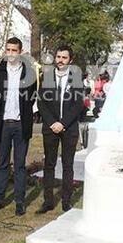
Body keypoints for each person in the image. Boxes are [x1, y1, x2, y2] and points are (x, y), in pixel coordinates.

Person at [0, 37, 38, 217]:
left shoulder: (29, 74)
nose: (10, 54)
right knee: (2, 164)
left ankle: (19, 201)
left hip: (20, 125)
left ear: (20, 52)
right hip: (3, 124)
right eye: (8, 50)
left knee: (19, 166)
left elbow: (32, 98)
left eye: (14, 50)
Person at [36, 45, 85, 214]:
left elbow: (78, 104)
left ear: (70, 60)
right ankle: (48, 201)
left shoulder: (76, 77)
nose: (60, 60)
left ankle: (66, 201)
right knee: (49, 165)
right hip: (50, 128)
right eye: (58, 57)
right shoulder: (47, 76)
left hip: (69, 128)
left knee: (67, 165)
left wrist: (63, 123)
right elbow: (41, 102)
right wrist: (52, 123)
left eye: (64, 57)